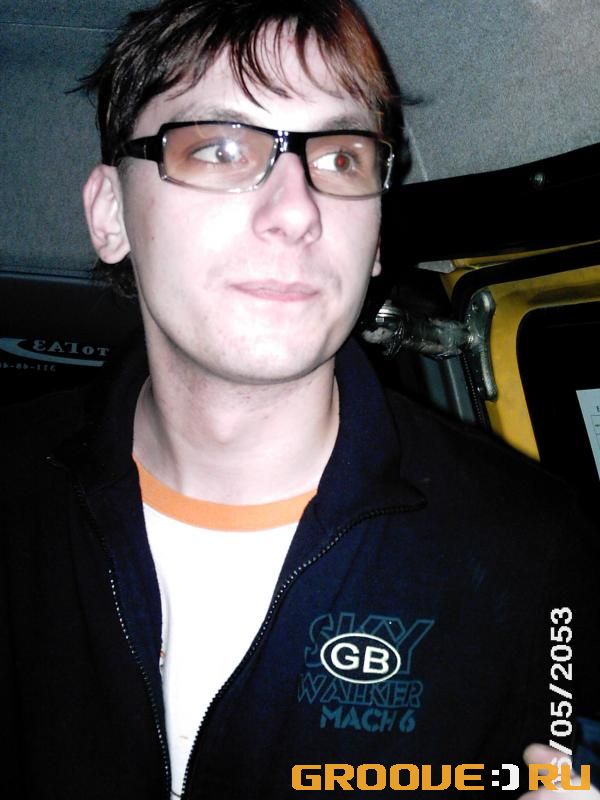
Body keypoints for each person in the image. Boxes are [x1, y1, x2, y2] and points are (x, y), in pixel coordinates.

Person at [1, 1, 598, 798]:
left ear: (376, 237)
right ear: (111, 215)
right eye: (219, 148)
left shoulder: (539, 552)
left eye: (342, 158)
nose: (296, 210)